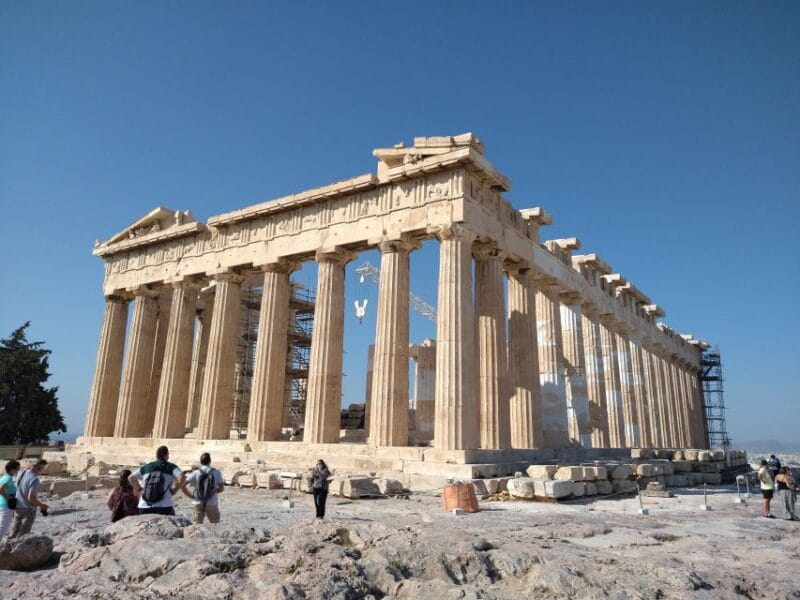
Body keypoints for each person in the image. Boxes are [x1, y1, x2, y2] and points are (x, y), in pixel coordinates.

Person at [130, 446, 184, 516]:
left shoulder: (146, 467)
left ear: (156, 456)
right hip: (164, 505)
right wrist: (174, 490)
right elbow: (182, 477)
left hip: (144, 505)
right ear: (167, 455)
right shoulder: (171, 466)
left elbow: (131, 478)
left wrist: (139, 489)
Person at [10, 459, 49, 538]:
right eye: (44, 467)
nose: (44, 470)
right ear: (40, 467)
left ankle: (7, 548)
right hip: (28, 509)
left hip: (17, 506)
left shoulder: (21, 473)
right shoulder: (34, 479)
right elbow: (30, 498)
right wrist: (42, 505)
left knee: (14, 532)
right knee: (23, 536)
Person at [183, 452, 224, 524]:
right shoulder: (216, 472)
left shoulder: (196, 472)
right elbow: (221, 488)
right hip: (212, 503)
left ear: (201, 462)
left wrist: (190, 495)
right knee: (216, 526)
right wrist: (213, 491)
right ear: (210, 461)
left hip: (198, 502)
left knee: (197, 526)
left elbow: (183, 485)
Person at [0, 460, 21, 539]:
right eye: (17, 469)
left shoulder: (4, 477)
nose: (18, 471)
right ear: (12, 469)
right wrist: (8, 497)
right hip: (6, 506)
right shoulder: (8, 478)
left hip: (2, 504)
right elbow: (0, 490)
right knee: (2, 528)